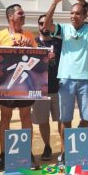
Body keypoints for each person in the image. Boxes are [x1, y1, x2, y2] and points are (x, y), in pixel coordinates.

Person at [43, 0, 88, 170]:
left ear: (84, 16)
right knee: (65, 119)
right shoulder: (64, 29)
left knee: (87, 118)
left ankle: (85, 153)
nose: (73, 16)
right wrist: (55, 1)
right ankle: (64, 153)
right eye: (71, 13)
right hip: (66, 80)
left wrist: (81, 0)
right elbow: (46, 25)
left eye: (77, 13)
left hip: (86, 80)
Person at [0, 4, 39, 172]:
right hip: (6, 84)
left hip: (24, 84)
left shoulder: (29, 35)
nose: (24, 15)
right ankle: (4, 154)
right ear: (10, 16)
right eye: (20, 13)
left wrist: (29, 48)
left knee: (26, 117)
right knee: (5, 117)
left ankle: (27, 153)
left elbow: (37, 59)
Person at [31, 14, 62, 161]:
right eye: (41, 23)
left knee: (63, 120)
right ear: (38, 25)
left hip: (59, 88)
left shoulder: (60, 42)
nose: (44, 26)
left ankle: (64, 149)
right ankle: (47, 146)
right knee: (43, 121)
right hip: (39, 90)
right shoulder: (33, 43)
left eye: (47, 23)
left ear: (52, 25)